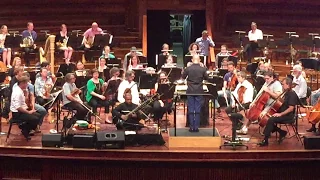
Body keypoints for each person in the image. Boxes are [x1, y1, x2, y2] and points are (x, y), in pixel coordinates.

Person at [258, 77, 299, 146]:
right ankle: (282, 132)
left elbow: (291, 108)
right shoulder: (285, 93)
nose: (282, 86)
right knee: (266, 118)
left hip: (288, 116)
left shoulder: (292, 94)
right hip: (281, 113)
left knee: (271, 119)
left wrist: (280, 114)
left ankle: (265, 140)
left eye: (283, 84)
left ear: (288, 85)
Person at [182, 54, 208, 132]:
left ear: (192, 60)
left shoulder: (188, 68)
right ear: (199, 60)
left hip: (190, 91)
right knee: (197, 109)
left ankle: (191, 127)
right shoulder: (203, 69)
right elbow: (207, 78)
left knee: (190, 109)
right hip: (199, 91)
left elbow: (183, 77)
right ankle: (196, 127)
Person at [10, 75, 41, 140]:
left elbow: (22, 103)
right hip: (17, 113)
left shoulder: (20, 90)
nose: (27, 84)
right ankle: (25, 129)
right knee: (35, 119)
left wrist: (30, 109)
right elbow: (18, 107)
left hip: (22, 110)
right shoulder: (17, 92)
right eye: (26, 83)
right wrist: (28, 112)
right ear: (22, 83)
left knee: (39, 116)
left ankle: (25, 128)